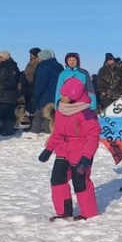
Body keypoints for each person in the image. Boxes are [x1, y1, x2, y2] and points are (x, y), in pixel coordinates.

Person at [39, 77, 101, 221]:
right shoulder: (61, 109)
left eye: (65, 95)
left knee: (80, 181)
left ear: (74, 97)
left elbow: (93, 136)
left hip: (80, 151)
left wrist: (87, 156)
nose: (62, 97)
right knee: (57, 179)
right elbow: (57, 132)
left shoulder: (86, 113)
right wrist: (48, 149)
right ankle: (63, 211)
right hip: (63, 149)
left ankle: (89, 213)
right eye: (62, 94)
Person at [28, 49, 63, 136]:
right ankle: (50, 131)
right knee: (52, 115)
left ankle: (34, 132)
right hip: (56, 95)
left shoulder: (43, 67)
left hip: (44, 95)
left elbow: (40, 83)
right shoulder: (59, 67)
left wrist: (35, 94)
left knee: (39, 114)